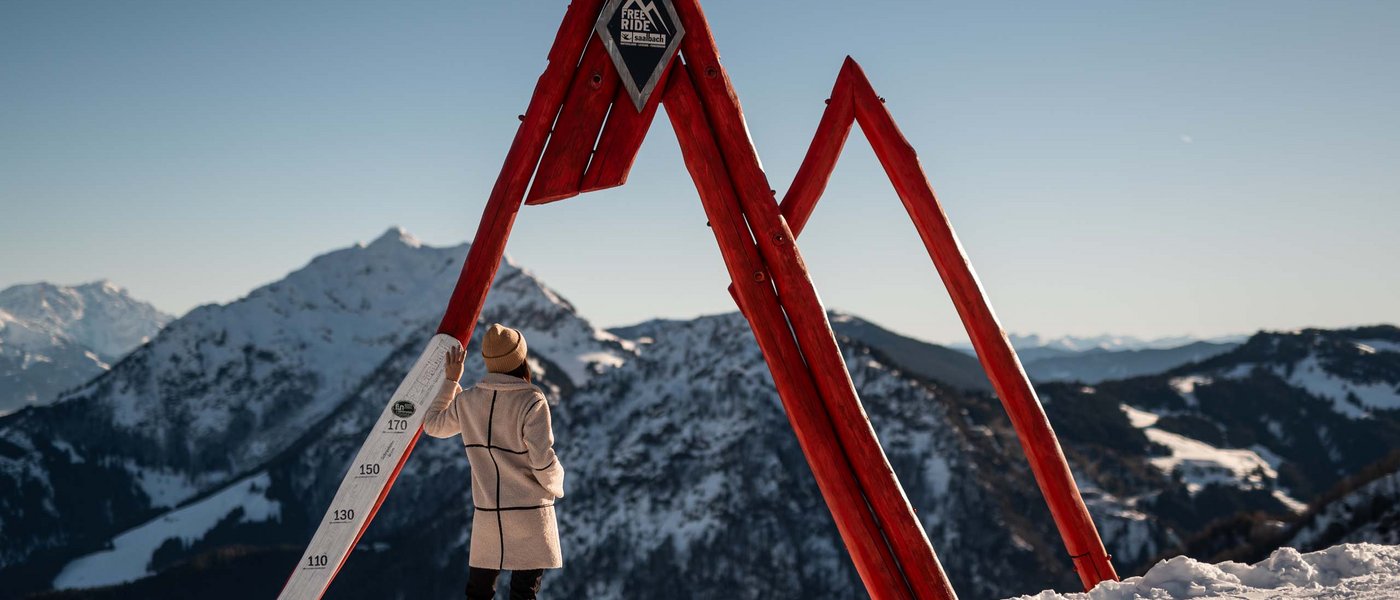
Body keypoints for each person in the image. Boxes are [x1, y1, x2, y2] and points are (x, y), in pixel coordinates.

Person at [424, 323, 565, 600]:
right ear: (520, 359)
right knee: (523, 593)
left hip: (489, 513)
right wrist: (557, 485)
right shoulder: (532, 399)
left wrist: (451, 381)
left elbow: (433, 425)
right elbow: (542, 460)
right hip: (530, 512)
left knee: (479, 592)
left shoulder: (469, 400)